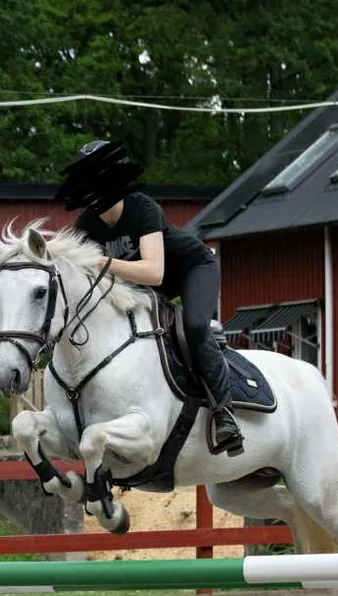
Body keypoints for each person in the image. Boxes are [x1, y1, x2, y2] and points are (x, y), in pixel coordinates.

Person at [63, 139, 244, 456]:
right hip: (143, 288)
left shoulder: (142, 207)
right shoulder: (86, 225)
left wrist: (104, 263)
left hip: (190, 270)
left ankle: (223, 414)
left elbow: (154, 272)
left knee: (195, 326)